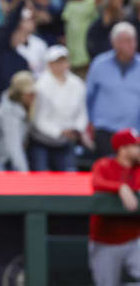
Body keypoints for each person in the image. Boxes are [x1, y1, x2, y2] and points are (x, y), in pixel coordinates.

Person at [88, 128, 140, 286]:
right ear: (123, 149)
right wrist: (120, 187)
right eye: (136, 146)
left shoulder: (137, 169)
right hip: (105, 241)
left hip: (134, 240)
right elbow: (97, 182)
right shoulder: (104, 165)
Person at [29, 45, 88, 171]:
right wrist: (59, 131)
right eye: (56, 62)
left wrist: (77, 129)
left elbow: (82, 112)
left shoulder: (77, 84)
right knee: (41, 177)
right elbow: (38, 118)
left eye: (63, 61)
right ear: (49, 64)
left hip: (67, 141)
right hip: (42, 141)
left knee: (70, 176)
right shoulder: (40, 85)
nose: (60, 65)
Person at [86, 22, 140, 156]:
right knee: (107, 171)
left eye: (133, 40)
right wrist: (91, 122)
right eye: (126, 41)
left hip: (133, 133)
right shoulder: (99, 64)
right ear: (115, 43)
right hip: (105, 130)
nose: (131, 44)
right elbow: (89, 97)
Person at [0, 71, 36, 171]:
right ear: (19, 94)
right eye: (28, 94)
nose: (32, 97)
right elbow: (14, 147)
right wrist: (25, 177)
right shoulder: (10, 112)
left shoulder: (24, 106)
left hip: (2, 150)